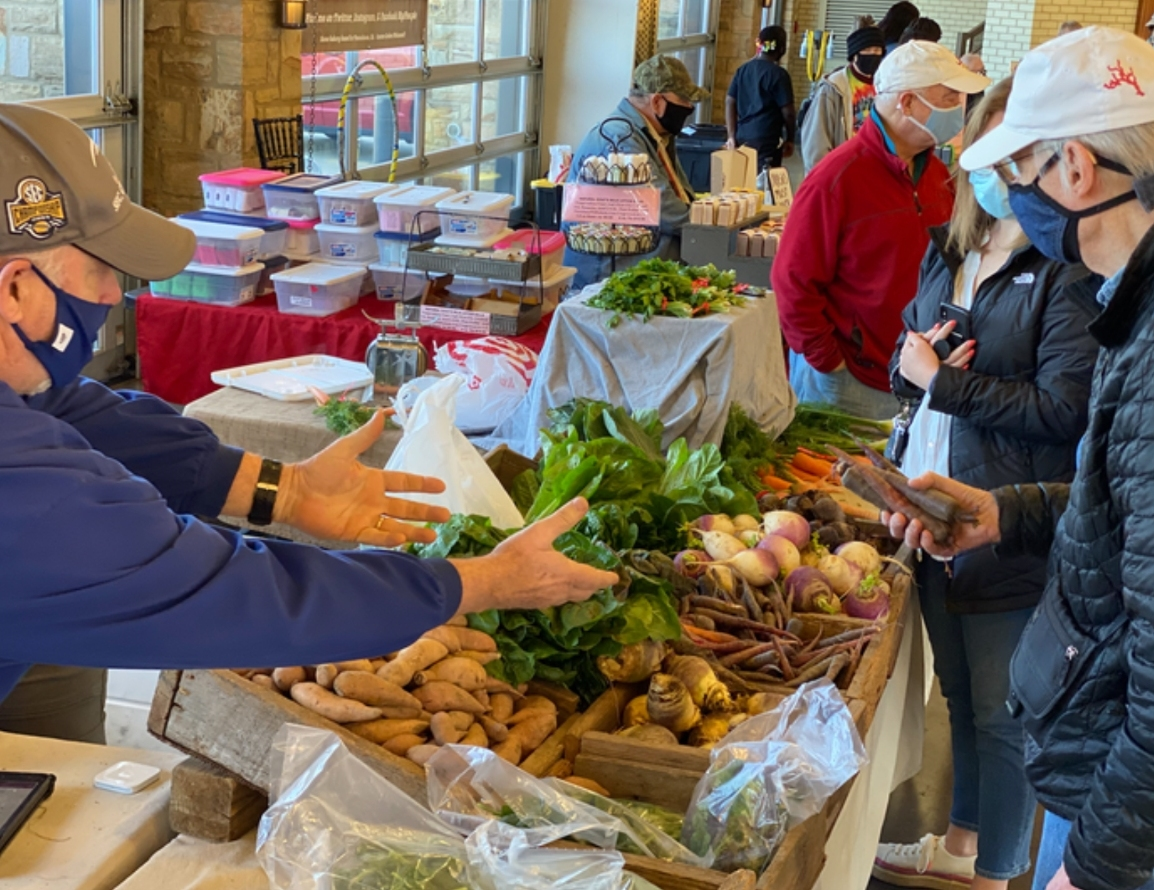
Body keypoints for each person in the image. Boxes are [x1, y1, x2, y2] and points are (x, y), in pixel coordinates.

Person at [0, 103, 620, 728]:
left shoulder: (22, 402)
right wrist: (474, 583)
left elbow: (88, 416)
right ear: (14, 288)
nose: (112, 295)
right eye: (100, 269)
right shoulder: (23, 488)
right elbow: (222, 594)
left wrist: (285, 489)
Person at [882, 26, 1154, 890]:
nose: (1013, 199)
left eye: (1019, 176)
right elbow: (1138, 502)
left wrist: (1089, 869)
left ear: (1075, 169)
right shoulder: (1148, 291)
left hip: (1137, 822)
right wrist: (1005, 512)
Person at [871, 78, 1100, 890]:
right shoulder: (951, 246)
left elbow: (1067, 408)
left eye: (1015, 152)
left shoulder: (1065, 268)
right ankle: (961, 845)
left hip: (1004, 516)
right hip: (928, 505)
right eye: (983, 151)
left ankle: (997, 871)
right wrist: (915, 370)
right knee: (958, 699)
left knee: (1003, 715)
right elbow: (914, 351)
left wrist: (947, 384)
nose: (992, 168)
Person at [773, 41, 989, 419]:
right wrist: (828, 359)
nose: (959, 108)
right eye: (948, 96)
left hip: (919, 375)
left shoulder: (938, 176)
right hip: (849, 381)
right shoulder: (837, 179)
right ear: (906, 103)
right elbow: (793, 281)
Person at [564, 55, 707, 291]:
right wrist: (711, 229)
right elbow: (665, 210)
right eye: (685, 101)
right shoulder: (621, 139)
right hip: (613, 279)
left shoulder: (653, 135)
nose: (689, 108)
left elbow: (681, 195)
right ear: (658, 102)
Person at [799, 21, 886, 174]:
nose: (873, 54)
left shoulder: (886, 85)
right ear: (854, 55)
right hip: (842, 174)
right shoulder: (833, 88)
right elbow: (816, 143)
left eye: (877, 50)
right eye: (867, 49)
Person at [724, 25, 796, 172]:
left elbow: (729, 102)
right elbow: (788, 112)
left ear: (760, 45)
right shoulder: (779, 75)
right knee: (763, 185)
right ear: (782, 49)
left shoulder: (743, 70)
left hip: (742, 137)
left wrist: (731, 136)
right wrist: (790, 138)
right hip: (767, 140)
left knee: (742, 181)